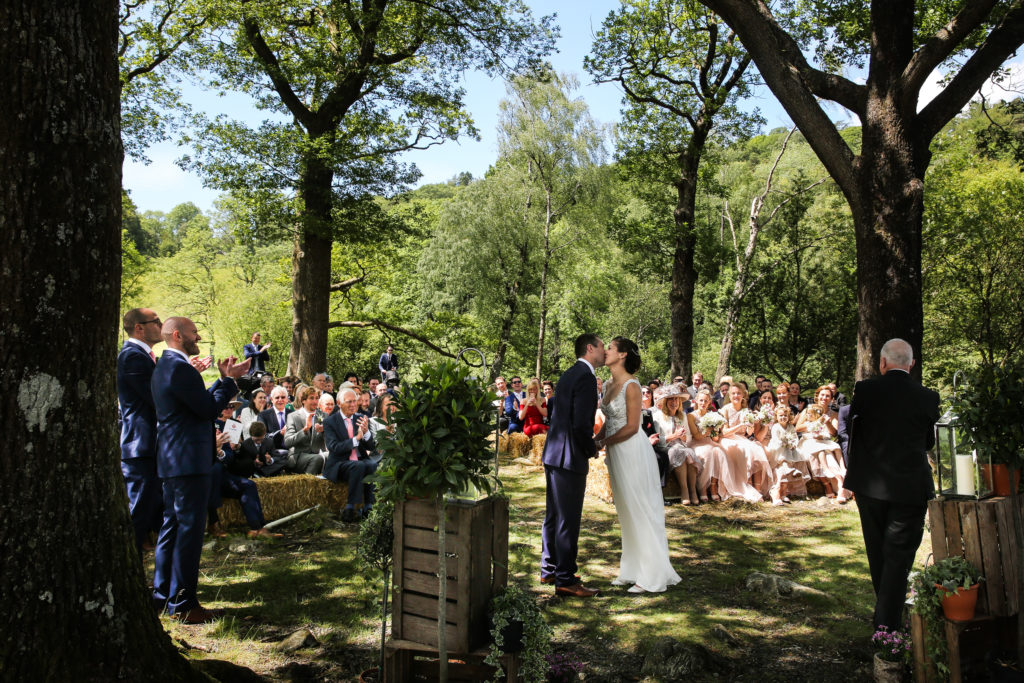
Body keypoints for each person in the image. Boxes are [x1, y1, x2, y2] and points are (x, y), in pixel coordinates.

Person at [151, 317, 249, 623]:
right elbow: (207, 409)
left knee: (172, 528)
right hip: (188, 460)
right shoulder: (179, 368)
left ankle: (162, 596)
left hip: (174, 460)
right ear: (178, 335)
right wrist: (230, 381)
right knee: (189, 532)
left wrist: (220, 380)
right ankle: (184, 605)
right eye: (194, 332)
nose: (199, 336)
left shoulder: (167, 367)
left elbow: (196, 401)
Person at [845, 338, 939, 631]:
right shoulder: (928, 396)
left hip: (871, 484)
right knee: (899, 556)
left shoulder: (865, 390)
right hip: (910, 486)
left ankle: (885, 624)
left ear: (882, 363)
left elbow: (853, 430)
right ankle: (888, 625)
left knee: (877, 551)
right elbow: (927, 441)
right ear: (911, 365)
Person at [595, 338, 681, 594]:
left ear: (622, 355)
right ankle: (630, 569)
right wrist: (597, 440)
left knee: (641, 509)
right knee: (626, 511)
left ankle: (651, 575)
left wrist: (604, 442)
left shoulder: (632, 385)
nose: (605, 352)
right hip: (616, 453)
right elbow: (609, 423)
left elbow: (632, 427)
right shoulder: (609, 383)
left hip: (633, 451)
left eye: (609, 348)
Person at [540, 333, 605, 598]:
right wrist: (592, 448)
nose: (604, 351)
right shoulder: (587, 377)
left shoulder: (568, 374)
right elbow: (581, 424)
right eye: (602, 346)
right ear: (590, 348)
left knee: (554, 515)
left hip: (554, 453)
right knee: (568, 519)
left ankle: (551, 568)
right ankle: (566, 579)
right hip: (569, 457)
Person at [118, 307, 165, 557]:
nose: (161, 325)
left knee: (156, 507)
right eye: (155, 321)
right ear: (139, 328)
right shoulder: (133, 356)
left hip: (150, 445)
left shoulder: (144, 356)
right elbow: (154, 396)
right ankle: (128, 562)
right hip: (140, 444)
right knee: (139, 509)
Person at [323, 388, 377, 522]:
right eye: (349, 402)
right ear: (339, 403)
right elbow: (333, 447)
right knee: (357, 466)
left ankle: (369, 506)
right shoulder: (330, 422)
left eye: (354, 401)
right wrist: (356, 439)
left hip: (359, 459)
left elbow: (371, 446)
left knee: (371, 464)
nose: (353, 405)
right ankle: (351, 507)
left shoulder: (361, 418)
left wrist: (366, 433)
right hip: (340, 462)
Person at [652, 385, 701, 506]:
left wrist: (683, 437)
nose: (674, 402)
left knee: (688, 452)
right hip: (666, 448)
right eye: (671, 400)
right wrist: (674, 436)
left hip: (681, 446)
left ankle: (693, 491)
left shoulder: (682, 415)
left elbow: (689, 437)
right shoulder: (657, 417)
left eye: (676, 400)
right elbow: (657, 439)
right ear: (665, 402)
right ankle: (685, 491)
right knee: (681, 452)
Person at [284, 386, 327, 475]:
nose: (315, 401)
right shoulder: (293, 416)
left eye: (316, 398)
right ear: (303, 400)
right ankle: (308, 486)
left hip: (319, 453)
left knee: (335, 456)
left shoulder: (324, 416)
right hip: (299, 456)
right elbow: (287, 442)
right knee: (317, 459)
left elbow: (331, 441)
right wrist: (304, 430)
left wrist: (324, 431)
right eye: (311, 398)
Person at [257, 386, 293, 458]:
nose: (280, 400)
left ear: (287, 399)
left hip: (292, 451)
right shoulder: (263, 415)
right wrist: (280, 433)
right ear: (271, 399)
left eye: (283, 397)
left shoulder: (292, 414)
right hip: (272, 452)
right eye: (277, 397)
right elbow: (262, 437)